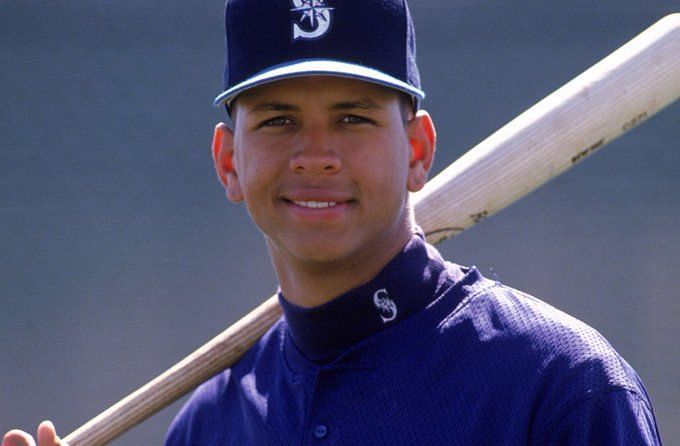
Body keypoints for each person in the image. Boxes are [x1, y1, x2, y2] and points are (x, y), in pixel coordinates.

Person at [3, 0, 662, 445]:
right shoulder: (213, 424)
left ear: (420, 150)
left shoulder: (560, 388)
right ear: (229, 162)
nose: (315, 155)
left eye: (353, 117)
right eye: (279, 119)